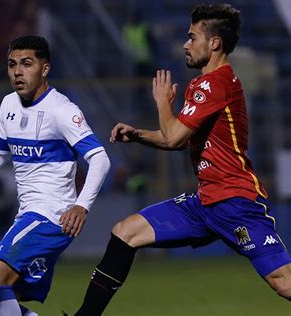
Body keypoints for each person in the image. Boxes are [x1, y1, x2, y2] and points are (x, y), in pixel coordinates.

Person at [74, 4, 291, 315]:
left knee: (283, 282)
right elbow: (176, 138)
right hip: (204, 203)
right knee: (126, 231)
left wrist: (163, 104)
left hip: (235, 202)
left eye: (192, 38)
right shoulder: (210, 83)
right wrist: (138, 135)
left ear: (214, 43)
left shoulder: (212, 83)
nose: (185, 45)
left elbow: (174, 136)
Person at [0, 35, 110, 316]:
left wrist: (81, 205)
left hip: (52, 216)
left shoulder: (62, 110)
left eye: (27, 64)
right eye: (12, 64)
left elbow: (100, 159)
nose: (18, 72)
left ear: (45, 69)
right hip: (28, 215)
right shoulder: (8, 104)